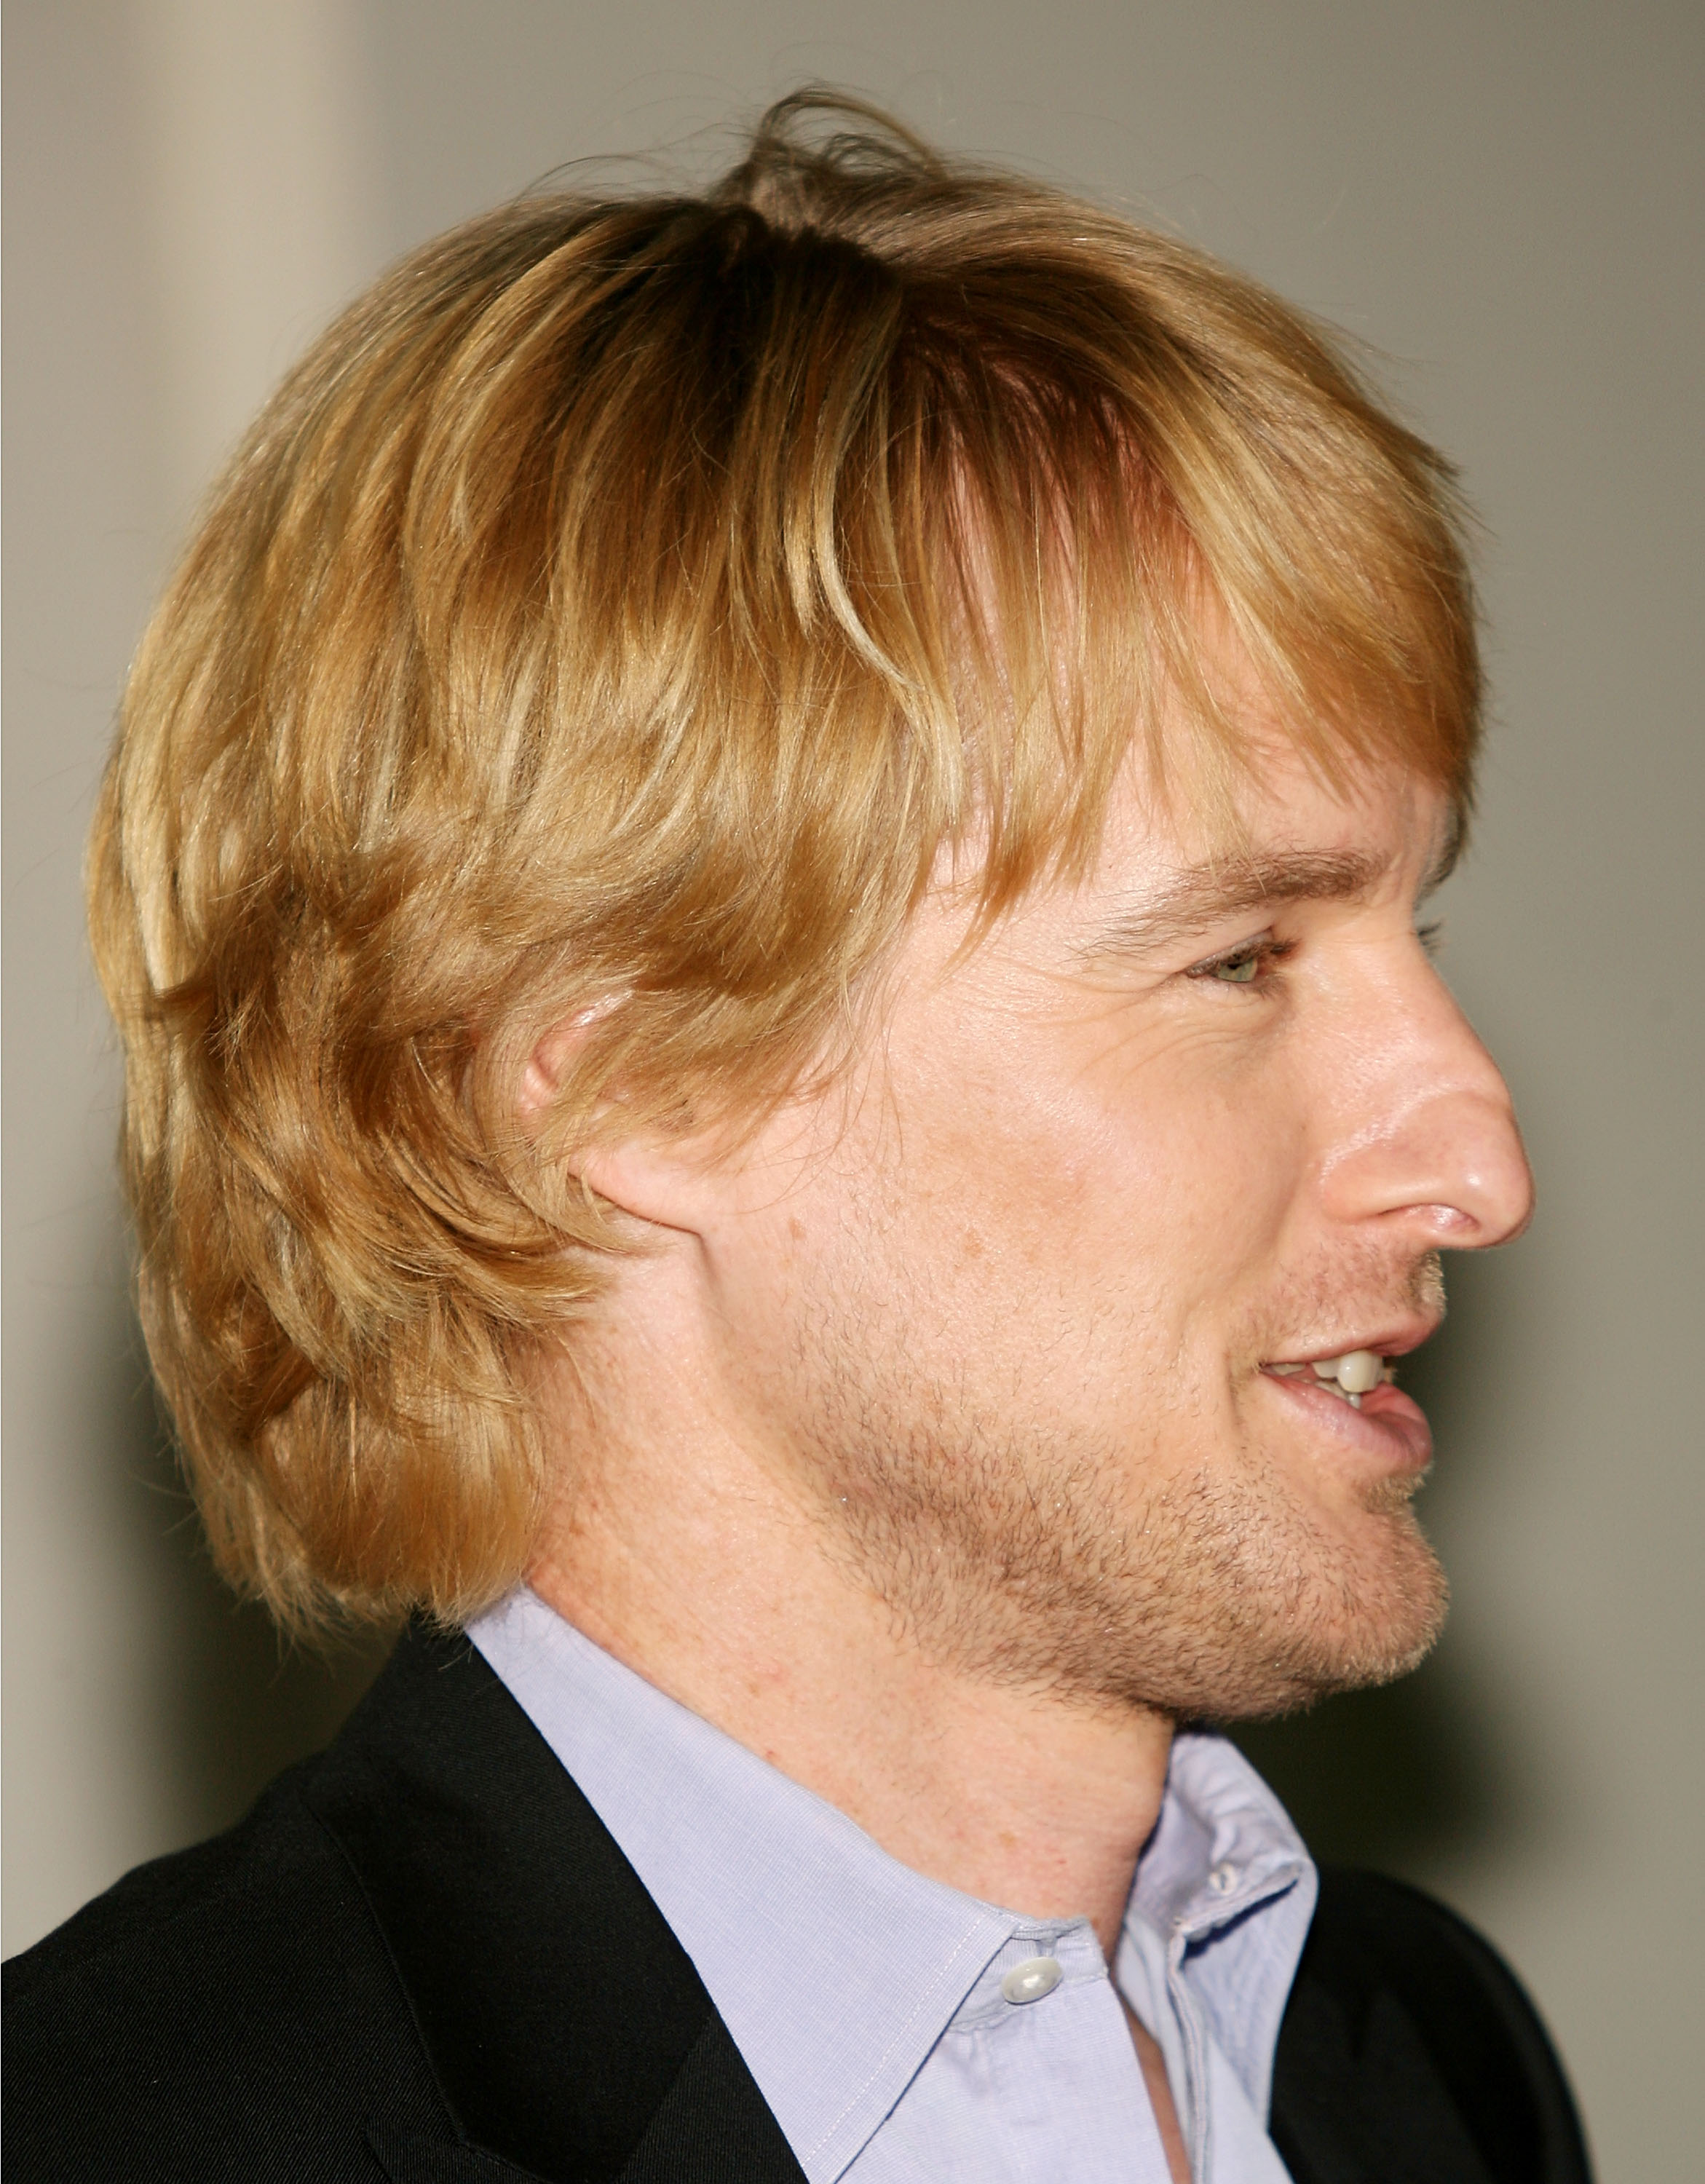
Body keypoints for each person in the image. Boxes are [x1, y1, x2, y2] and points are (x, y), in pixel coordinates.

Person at [5, 90, 1591, 2184]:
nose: (1478, 1163)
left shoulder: (1418, 2063)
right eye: (1241, 961)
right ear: (633, 1087)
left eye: (1414, 924)